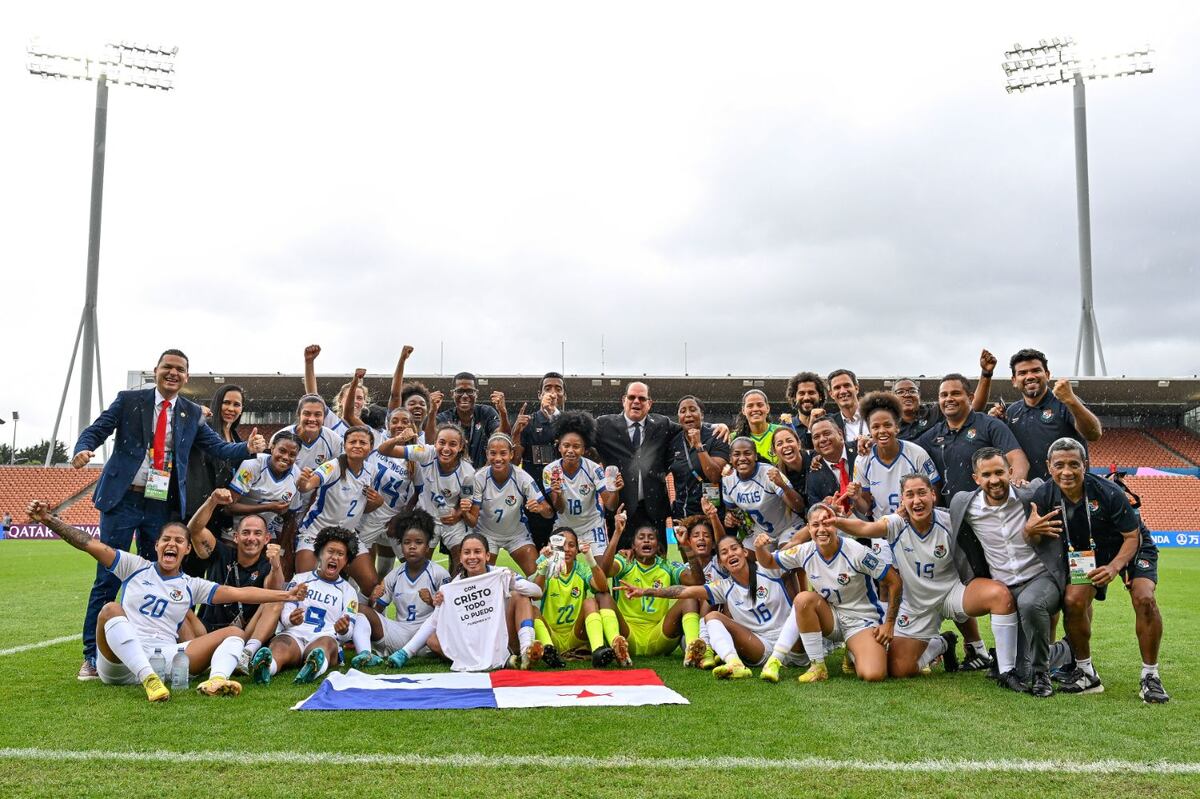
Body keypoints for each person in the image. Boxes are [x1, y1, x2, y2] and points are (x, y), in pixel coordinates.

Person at [71, 349, 266, 680]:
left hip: (159, 503)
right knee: (107, 577)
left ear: (187, 377)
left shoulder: (190, 413)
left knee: (156, 577)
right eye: (168, 367)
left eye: (180, 369)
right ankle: (92, 654)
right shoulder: (130, 400)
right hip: (123, 500)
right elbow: (98, 429)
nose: (173, 373)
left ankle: (151, 646)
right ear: (156, 371)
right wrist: (82, 449)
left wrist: (246, 449)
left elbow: (218, 447)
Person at [28, 500, 303, 700]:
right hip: (121, 664)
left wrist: (286, 594)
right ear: (157, 545)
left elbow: (241, 593)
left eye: (179, 541)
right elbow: (89, 543)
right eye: (166, 540)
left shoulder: (191, 585)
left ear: (186, 550)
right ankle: (147, 678)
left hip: (165, 660)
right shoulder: (133, 566)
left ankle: (217, 680)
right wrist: (50, 520)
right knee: (110, 608)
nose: (171, 544)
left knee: (233, 633)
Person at [831, 474, 1027, 692]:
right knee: (899, 669)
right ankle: (943, 643)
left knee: (999, 595)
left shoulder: (950, 520)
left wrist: (1019, 492)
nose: (917, 500)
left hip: (952, 594)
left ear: (933, 495)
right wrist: (835, 521)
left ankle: (1007, 670)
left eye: (922, 493)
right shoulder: (895, 524)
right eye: (910, 495)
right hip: (916, 605)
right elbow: (864, 528)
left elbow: (987, 516)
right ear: (902, 501)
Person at [1027, 438, 1168, 703]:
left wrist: (1115, 567)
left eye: (1073, 464)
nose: (1066, 471)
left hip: (1131, 545)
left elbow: (1131, 536)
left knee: (1144, 598)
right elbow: (1036, 539)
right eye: (1059, 465)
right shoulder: (1044, 496)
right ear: (1049, 467)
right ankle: (1086, 672)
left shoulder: (1108, 492)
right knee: (1073, 601)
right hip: (1086, 554)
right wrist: (1029, 532)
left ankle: (1151, 676)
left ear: (1085, 465)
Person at [948, 448, 1062, 697]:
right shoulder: (964, 504)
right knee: (1020, 670)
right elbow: (940, 518)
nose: (994, 479)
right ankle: (1067, 650)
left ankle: (1043, 676)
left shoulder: (1030, 494)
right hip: (1004, 587)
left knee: (1031, 604)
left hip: (1039, 579)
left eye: (999, 472)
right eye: (986, 474)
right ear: (976, 478)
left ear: (1010, 472)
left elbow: (1057, 493)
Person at [624, 534, 805, 681]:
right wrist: (645, 591)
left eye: (734, 549)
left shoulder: (768, 567)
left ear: (745, 552)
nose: (731, 554)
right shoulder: (723, 586)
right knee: (712, 618)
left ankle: (810, 660)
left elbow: (796, 542)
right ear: (720, 562)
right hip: (761, 648)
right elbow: (683, 591)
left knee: (802, 600)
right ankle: (734, 664)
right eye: (724, 553)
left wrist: (821, 517)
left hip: (793, 644)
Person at [755, 503, 901, 683]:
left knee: (873, 674)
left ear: (836, 525)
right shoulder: (804, 551)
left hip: (861, 620)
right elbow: (769, 562)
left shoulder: (857, 551)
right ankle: (818, 666)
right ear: (809, 528)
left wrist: (889, 623)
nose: (821, 529)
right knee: (803, 600)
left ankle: (853, 652)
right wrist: (759, 548)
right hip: (831, 617)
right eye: (815, 525)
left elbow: (894, 581)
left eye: (827, 523)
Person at [384, 532, 546, 671]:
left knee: (520, 595)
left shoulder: (500, 574)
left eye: (477, 552)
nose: (472, 557)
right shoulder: (453, 586)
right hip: (472, 642)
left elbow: (537, 592)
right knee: (432, 639)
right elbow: (434, 622)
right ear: (460, 558)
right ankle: (482, 660)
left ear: (487, 556)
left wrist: (513, 582)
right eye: (467, 553)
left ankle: (526, 651)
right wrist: (406, 652)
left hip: (505, 640)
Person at [595, 381, 728, 549]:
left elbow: (688, 425)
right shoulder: (604, 425)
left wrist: (715, 426)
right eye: (632, 397)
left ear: (649, 404)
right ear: (624, 400)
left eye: (642, 398)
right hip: (622, 509)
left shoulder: (662, 424)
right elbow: (580, 435)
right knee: (623, 563)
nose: (636, 401)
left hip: (655, 510)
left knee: (660, 563)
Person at [249, 526, 370, 684]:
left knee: (325, 646)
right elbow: (286, 613)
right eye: (330, 551)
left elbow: (347, 633)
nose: (334, 557)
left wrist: (343, 630)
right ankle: (267, 668)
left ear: (347, 560)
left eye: (340, 554)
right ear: (320, 553)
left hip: (324, 636)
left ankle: (313, 669)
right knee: (280, 644)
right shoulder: (300, 579)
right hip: (295, 635)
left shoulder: (348, 591)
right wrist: (291, 619)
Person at [597, 511, 705, 667]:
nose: (646, 540)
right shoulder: (625, 562)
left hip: (658, 636)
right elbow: (604, 572)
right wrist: (617, 533)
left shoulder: (667, 566)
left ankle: (692, 649)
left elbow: (697, 581)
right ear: (633, 545)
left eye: (651, 538)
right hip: (628, 635)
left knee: (690, 596)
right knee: (603, 595)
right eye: (641, 538)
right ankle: (617, 644)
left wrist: (687, 547)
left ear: (658, 545)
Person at [351, 509, 452, 668]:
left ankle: (413, 650)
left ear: (427, 546)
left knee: (437, 636)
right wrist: (373, 599)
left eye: (418, 542)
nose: (412, 547)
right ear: (401, 545)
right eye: (407, 542)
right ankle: (365, 653)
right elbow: (377, 612)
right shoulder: (394, 575)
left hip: (427, 636)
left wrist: (433, 602)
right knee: (361, 611)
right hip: (399, 633)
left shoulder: (439, 573)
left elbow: (452, 611)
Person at [377, 423, 476, 574]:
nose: (446, 448)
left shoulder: (467, 472)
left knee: (461, 557)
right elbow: (383, 450)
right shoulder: (426, 452)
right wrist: (399, 438)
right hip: (426, 517)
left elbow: (465, 502)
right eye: (442, 442)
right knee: (420, 561)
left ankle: (454, 591)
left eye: (453, 444)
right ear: (435, 443)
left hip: (450, 519)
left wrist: (457, 514)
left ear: (461, 447)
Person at [295, 426, 384, 591]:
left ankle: (351, 613)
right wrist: (303, 482)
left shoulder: (371, 472)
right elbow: (307, 485)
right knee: (305, 584)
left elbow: (361, 508)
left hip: (348, 535)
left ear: (371, 448)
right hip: (316, 532)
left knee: (371, 585)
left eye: (362, 442)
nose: (357, 445)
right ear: (345, 445)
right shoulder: (333, 467)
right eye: (352, 442)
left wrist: (378, 502)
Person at [917, 374, 1029, 503]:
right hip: (949, 516)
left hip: (987, 513)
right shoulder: (932, 435)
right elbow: (908, 455)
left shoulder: (990, 425)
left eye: (955, 393)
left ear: (970, 398)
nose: (949, 399)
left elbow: (1019, 460)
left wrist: (1013, 489)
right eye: (944, 395)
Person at [999, 348, 1103, 481]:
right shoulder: (1012, 411)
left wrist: (1072, 400)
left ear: (1047, 375)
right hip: (1030, 493)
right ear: (1014, 380)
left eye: (1036, 370)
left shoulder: (1065, 401)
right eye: (1022, 373)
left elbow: (1094, 434)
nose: (1030, 376)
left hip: (1067, 491)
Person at [852, 392, 940, 529]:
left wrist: (915, 515)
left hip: (915, 527)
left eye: (887, 425)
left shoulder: (917, 454)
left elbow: (934, 494)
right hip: (882, 531)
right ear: (869, 430)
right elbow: (865, 508)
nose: (882, 431)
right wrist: (857, 498)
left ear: (897, 427)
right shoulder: (863, 460)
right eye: (875, 427)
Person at [530, 527, 616, 668]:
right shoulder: (546, 567)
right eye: (562, 544)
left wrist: (590, 559)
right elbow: (536, 595)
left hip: (576, 634)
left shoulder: (581, 569)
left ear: (577, 550)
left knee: (590, 601)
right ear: (552, 546)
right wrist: (544, 565)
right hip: (552, 634)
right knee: (532, 610)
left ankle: (598, 651)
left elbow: (602, 587)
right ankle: (549, 651)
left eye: (571, 545)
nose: (567, 549)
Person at [469, 432, 553, 575]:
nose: (498, 458)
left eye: (503, 453)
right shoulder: (479, 477)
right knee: (480, 579)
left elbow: (549, 512)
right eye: (493, 453)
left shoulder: (522, 477)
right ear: (487, 454)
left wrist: (539, 508)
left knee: (538, 575)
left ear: (511, 454)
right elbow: (473, 519)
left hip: (516, 535)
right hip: (486, 534)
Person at [543, 411, 621, 557]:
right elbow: (559, 509)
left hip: (591, 527)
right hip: (563, 527)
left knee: (602, 571)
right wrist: (558, 494)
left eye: (576, 446)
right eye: (566, 445)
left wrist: (615, 491)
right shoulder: (550, 470)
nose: (570, 451)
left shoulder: (594, 469)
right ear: (559, 446)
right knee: (555, 570)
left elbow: (610, 505)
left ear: (584, 449)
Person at [355, 407, 419, 578]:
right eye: (395, 421)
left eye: (405, 421)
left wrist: (399, 518)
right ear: (387, 424)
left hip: (394, 518)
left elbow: (416, 493)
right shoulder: (376, 439)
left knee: (412, 567)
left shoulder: (416, 453)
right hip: (368, 517)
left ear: (412, 425)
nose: (399, 425)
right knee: (360, 573)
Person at [513, 372, 566, 549]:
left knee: (562, 553)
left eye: (558, 389)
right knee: (539, 552)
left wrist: (555, 418)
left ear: (564, 396)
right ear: (540, 395)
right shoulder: (528, 423)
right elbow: (515, 461)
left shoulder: (570, 422)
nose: (553, 393)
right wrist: (516, 433)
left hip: (564, 497)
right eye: (547, 389)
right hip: (536, 498)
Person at [186, 383, 245, 539]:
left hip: (222, 514)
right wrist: (196, 413)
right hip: (196, 509)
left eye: (236, 404)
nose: (231, 409)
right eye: (226, 402)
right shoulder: (203, 429)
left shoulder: (238, 441)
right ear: (217, 403)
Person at [721, 438, 804, 545]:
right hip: (763, 532)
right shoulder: (728, 479)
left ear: (755, 456)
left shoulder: (768, 473)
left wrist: (783, 486)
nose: (742, 458)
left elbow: (799, 507)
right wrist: (730, 518)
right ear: (730, 459)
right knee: (744, 554)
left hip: (789, 527)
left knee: (783, 556)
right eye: (736, 454)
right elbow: (732, 510)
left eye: (747, 453)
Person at [224, 431, 301, 542]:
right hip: (236, 529)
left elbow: (290, 516)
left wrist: (282, 548)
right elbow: (228, 507)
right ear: (272, 447)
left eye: (292, 454)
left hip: (267, 533)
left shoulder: (297, 475)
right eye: (282, 451)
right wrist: (268, 507)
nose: (286, 457)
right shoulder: (253, 464)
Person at [667, 396, 729, 519]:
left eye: (693, 409)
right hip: (682, 516)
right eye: (683, 411)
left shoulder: (717, 436)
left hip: (711, 515)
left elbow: (714, 476)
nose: (688, 414)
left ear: (702, 415)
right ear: (679, 417)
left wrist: (698, 445)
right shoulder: (673, 442)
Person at [430, 372, 506, 468]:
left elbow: (502, 437)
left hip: (482, 476)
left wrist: (503, 413)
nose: (465, 396)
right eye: (460, 391)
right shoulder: (444, 418)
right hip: (452, 476)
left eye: (470, 391)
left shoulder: (486, 413)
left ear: (476, 394)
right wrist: (432, 413)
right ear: (452, 394)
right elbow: (429, 442)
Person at [805, 417, 858, 512]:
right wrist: (826, 508)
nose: (822, 439)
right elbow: (815, 512)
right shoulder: (813, 475)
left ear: (840, 434)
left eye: (826, 433)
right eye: (816, 437)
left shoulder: (860, 449)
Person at [731, 389, 780, 464]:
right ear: (743, 410)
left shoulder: (780, 432)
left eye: (760, 405)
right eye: (750, 406)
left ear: (768, 408)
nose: (755, 409)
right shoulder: (734, 438)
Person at [772, 426, 813, 513]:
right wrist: (784, 486)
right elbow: (799, 508)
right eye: (779, 444)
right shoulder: (778, 475)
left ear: (798, 444)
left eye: (789, 441)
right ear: (774, 451)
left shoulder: (815, 458)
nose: (786, 446)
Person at [782, 371, 828, 449]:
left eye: (811, 393)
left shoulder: (831, 423)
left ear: (820, 396)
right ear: (794, 397)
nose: (806, 397)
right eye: (801, 393)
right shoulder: (786, 427)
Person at [828, 369, 867, 445]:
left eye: (847, 385)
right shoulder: (830, 423)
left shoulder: (875, 414)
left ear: (856, 388)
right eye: (837, 388)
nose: (843, 391)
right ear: (831, 394)